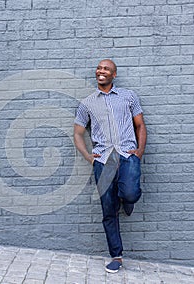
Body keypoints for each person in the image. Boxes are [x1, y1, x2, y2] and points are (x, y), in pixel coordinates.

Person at [73, 59, 147, 273]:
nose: (101, 71)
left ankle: (126, 199)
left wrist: (139, 151)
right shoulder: (87, 103)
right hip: (103, 159)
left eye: (106, 69)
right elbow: (78, 133)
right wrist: (89, 157)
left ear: (114, 74)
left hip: (127, 154)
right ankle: (116, 256)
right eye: (99, 68)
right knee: (108, 209)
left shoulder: (129, 96)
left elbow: (140, 125)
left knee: (131, 193)